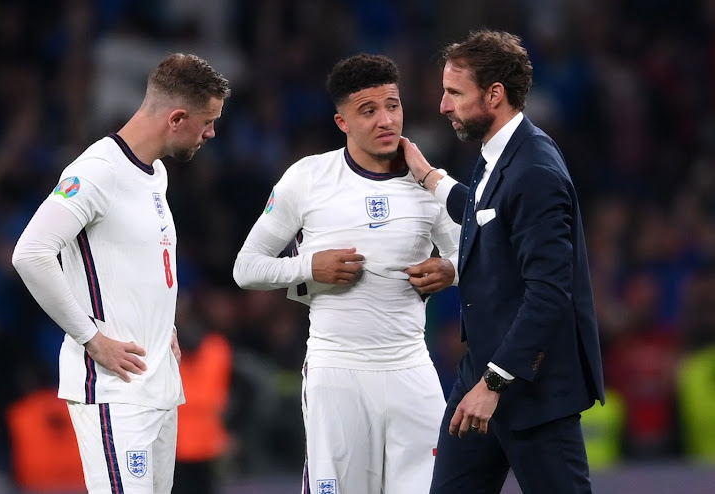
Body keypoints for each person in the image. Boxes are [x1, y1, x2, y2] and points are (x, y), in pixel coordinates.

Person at [233, 54, 461, 494]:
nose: (385, 120)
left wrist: (451, 270)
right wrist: (308, 267)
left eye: (392, 106)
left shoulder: (430, 183)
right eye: (368, 111)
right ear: (343, 122)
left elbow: (473, 258)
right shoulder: (308, 178)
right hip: (337, 371)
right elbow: (247, 268)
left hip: (410, 368)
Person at [12, 53, 230, 494]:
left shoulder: (157, 175)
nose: (212, 132)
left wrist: (162, 324)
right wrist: (90, 337)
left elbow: (133, 267)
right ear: (177, 118)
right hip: (115, 388)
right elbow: (30, 253)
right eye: (207, 121)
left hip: (159, 385)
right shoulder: (96, 172)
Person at [401, 29, 605, 493]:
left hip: (530, 389)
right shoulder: (500, 155)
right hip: (482, 378)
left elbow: (550, 293)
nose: (443, 105)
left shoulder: (535, 170)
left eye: (455, 93)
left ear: (495, 95)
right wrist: (429, 177)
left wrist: (495, 383)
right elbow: (486, 214)